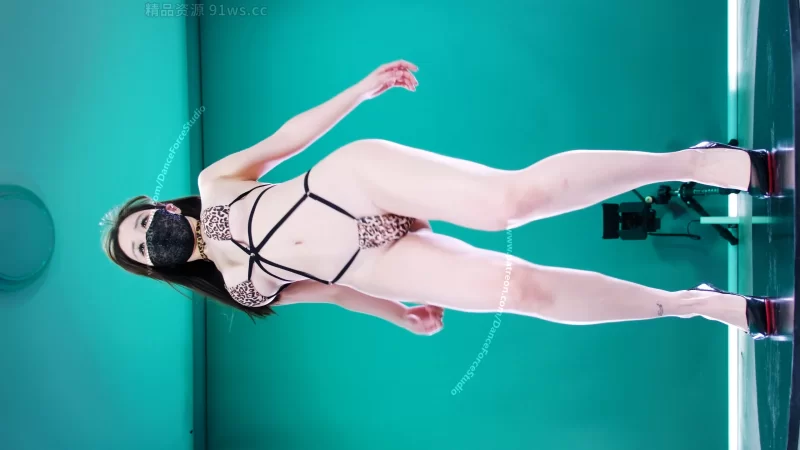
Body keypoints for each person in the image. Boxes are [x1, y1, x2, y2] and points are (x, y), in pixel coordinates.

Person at [101, 59, 787, 340]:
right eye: (139, 251)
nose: (147, 239)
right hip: (372, 262)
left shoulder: (217, 183)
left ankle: (695, 163)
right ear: (157, 268)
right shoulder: (240, 290)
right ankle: (693, 304)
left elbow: (286, 140)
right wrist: (399, 316)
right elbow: (333, 294)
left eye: (141, 225)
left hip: (351, 183)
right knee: (520, 293)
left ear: (164, 208)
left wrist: (358, 92)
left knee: (510, 202)